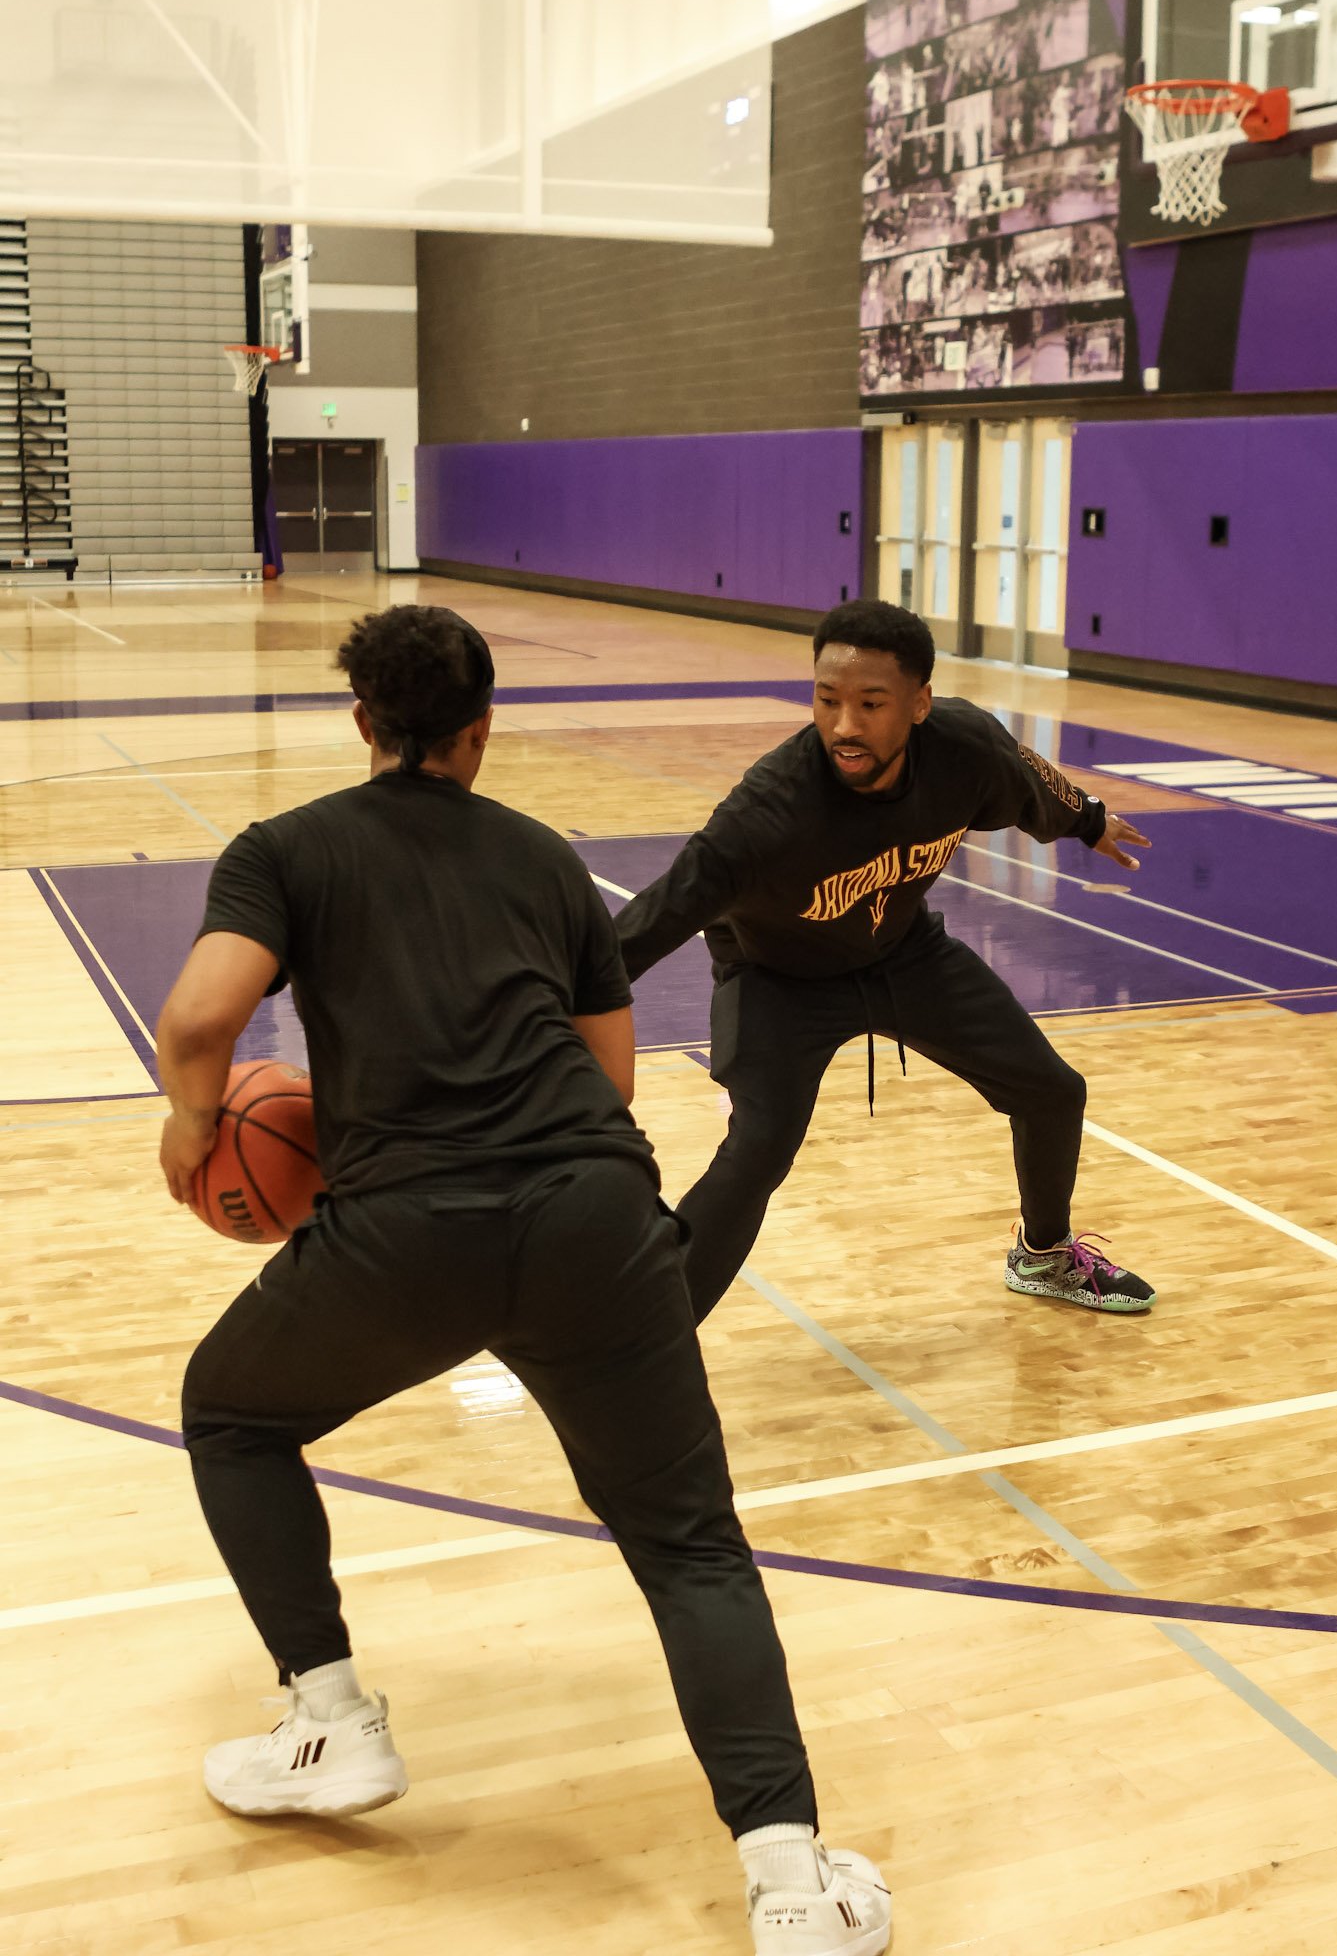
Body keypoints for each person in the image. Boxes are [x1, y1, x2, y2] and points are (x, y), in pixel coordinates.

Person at [156, 604, 890, 1956]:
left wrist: (197, 1126)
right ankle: (792, 1881)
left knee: (232, 1413)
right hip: (593, 1222)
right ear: (482, 731)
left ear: (365, 724)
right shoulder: (547, 859)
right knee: (687, 1546)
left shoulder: (287, 849)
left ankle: (332, 1721)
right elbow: (609, 1076)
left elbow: (204, 1017)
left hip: (403, 1238)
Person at [613, 601, 1156, 1324]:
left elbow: (1030, 782)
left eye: (869, 704)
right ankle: (647, 1337)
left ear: (919, 704)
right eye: (826, 700)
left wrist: (1087, 820)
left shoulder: (962, 747)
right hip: (777, 979)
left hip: (903, 956)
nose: (843, 725)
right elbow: (646, 925)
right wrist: (538, 1012)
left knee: (1052, 1091)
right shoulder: (764, 817)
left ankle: (1042, 1253)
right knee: (758, 1151)